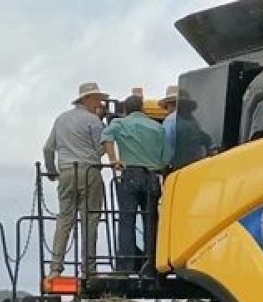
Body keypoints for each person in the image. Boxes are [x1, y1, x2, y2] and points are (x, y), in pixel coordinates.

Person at [42, 82, 109, 278]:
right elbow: (100, 147)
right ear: (87, 99)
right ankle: (89, 268)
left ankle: (55, 267)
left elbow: (48, 149)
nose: (99, 103)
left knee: (64, 219)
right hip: (89, 171)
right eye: (97, 99)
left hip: (66, 172)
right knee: (90, 219)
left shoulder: (61, 119)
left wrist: (52, 171)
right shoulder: (93, 121)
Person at [101, 94, 171, 274]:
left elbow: (106, 136)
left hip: (130, 173)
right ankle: (151, 265)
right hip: (152, 176)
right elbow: (166, 158)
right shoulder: (157, 127)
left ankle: (126, 264)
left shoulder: (120, 123)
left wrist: (113, 159)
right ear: (142, 108)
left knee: (127, 219)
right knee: (151, 221)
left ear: (125, 109)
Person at [159, 85, 179, 164]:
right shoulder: (192, 120)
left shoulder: (170, 120)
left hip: (176, 166)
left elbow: (165, 146)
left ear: (170, 104)